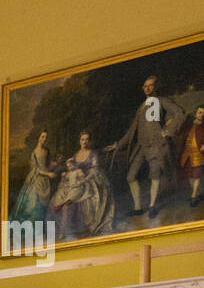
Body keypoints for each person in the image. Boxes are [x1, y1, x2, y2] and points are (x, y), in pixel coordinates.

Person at [105, 75, 185, 219]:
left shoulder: (162, 101)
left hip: (156, 145)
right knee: (131, 177)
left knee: (155, 175)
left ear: (156, 87)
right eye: (145, 86)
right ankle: (137, 207)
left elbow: (179, 113)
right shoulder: (141, 108)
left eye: (150, 85)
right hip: (142, 146)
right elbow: (131, 131)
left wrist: (168, 131)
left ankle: (152, 206)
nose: (147, 88)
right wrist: (118, 144)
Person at [49, 131, 114, 239]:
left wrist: (84, 180)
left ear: (90, 141)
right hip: (75, 181)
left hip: (89, 179)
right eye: (82, 139)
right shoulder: (75, 155)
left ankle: (71, 230)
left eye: (87, 139)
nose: (85, 142)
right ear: (79, 141)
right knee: (57, 199)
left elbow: (94, 170)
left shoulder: (93, 153)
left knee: (73, 201)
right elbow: (71, 169)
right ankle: (63, 230)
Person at [10, 130, 58, 224]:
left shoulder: (46, 151)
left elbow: (47, 165)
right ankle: (31, 226)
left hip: (46, 180)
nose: (44, 139)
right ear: (38, 138)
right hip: (37, 179)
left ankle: (42, 225)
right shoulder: (34, 153)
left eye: (46, 137)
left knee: (46, 204)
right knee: (33, 204)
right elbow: (35, 169)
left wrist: (53, 166)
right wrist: (48, 174)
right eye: (42, 137)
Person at [180, 105, 204, 207]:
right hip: (188, 155)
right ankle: (198, 193)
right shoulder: (189, 126)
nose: (202, 115)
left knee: (197, 176)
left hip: (199, 154)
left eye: (203, 113)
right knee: (190, 176)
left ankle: (193, 196)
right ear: (195, 114)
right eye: (200, 112)